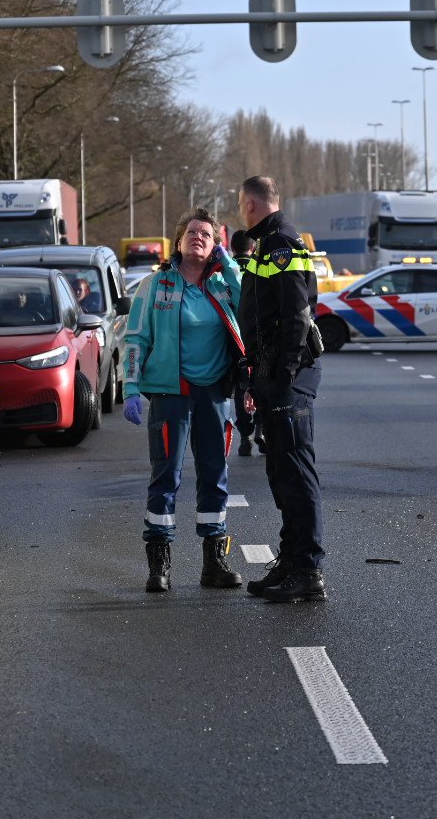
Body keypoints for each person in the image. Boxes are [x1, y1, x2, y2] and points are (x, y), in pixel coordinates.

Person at [121, 207, 246, 593]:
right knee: (166, 477)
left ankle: (214, 562)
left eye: (207, 235)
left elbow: (247, 310)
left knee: (214, 477)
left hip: (213, 395)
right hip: (170, 396)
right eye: (191, 232)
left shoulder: (223, 285)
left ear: (215, 247)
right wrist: (129, 387)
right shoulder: (155, 285)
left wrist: (230, 268)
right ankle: (159, 566)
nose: (198, 237)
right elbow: (135, 338)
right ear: (178, 241)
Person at [236, 175, 326, 604]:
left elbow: (296, 313)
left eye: (240, 205)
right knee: (280, 473)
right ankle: (291, 562)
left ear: (250, 204)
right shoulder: (268, 242)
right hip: (274, 376)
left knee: (295, 472)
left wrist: (283, 374)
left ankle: (307, 570)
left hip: (288, 378)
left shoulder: (281, 243)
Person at [229, 229, 263, 457]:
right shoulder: (260, 267)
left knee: (241, 387)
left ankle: (245, 437)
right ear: (252, 247)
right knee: (259, 383)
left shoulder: (224, 269)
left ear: (232, 248)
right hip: (257, 338)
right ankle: (261, 428)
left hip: (233, 339)